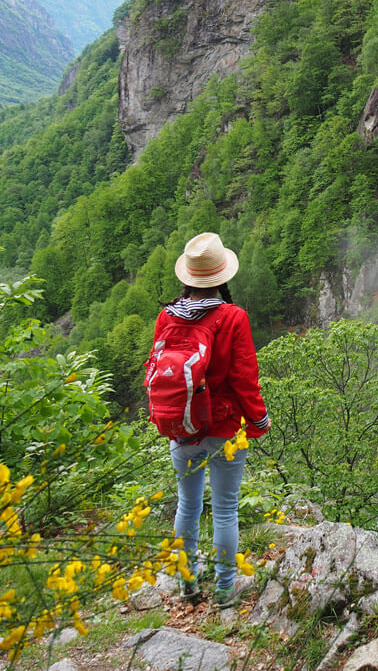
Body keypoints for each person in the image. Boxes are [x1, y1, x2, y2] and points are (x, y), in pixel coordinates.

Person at [153, 232, 270, 607]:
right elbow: (244, 378)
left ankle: (188, 582)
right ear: (222, 276)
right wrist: (259, 421)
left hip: (182, 426)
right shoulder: (233, 317)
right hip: (223, 429)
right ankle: (224, 590)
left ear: (188, 276)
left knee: (187, 505)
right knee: (224, 509)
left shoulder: (167, 316)